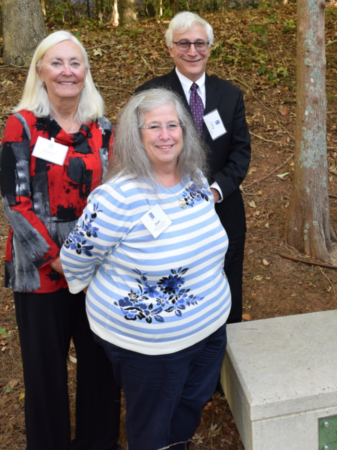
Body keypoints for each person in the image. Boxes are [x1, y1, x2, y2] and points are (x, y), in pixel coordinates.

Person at [60, 89, 231, 450]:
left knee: (187, 410)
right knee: (152, 427)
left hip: (209, 330)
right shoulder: (116, 198)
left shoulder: (196, 181)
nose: (165, 135)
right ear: (135, 137)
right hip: (150, 349)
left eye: (173, 125)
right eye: (153, 127)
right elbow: (75, 258)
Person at [0, 31, 121, 450]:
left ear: (86, 71)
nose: (67, 71)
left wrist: (94, 257)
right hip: (40, 272)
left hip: (97, 271)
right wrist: (56, 259)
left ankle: (98, 441)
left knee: (100, 365)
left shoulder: (102, 128)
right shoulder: (21, 125)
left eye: (75, 62)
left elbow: (115, 195)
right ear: (40, 70)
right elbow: (14, 203)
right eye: (57, 63)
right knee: (44, 371)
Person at [136, 11, 250, 326]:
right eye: (183, 43)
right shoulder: (150, 94)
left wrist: (213, 192)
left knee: (227, 296)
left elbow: (241, 153)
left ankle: (227, 370)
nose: (192, 51)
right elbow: (137, 155)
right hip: (168, 216)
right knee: (178, 298)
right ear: (170, 48)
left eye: (200, 43)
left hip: (222, 212)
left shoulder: (230, 95)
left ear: (210, 47)